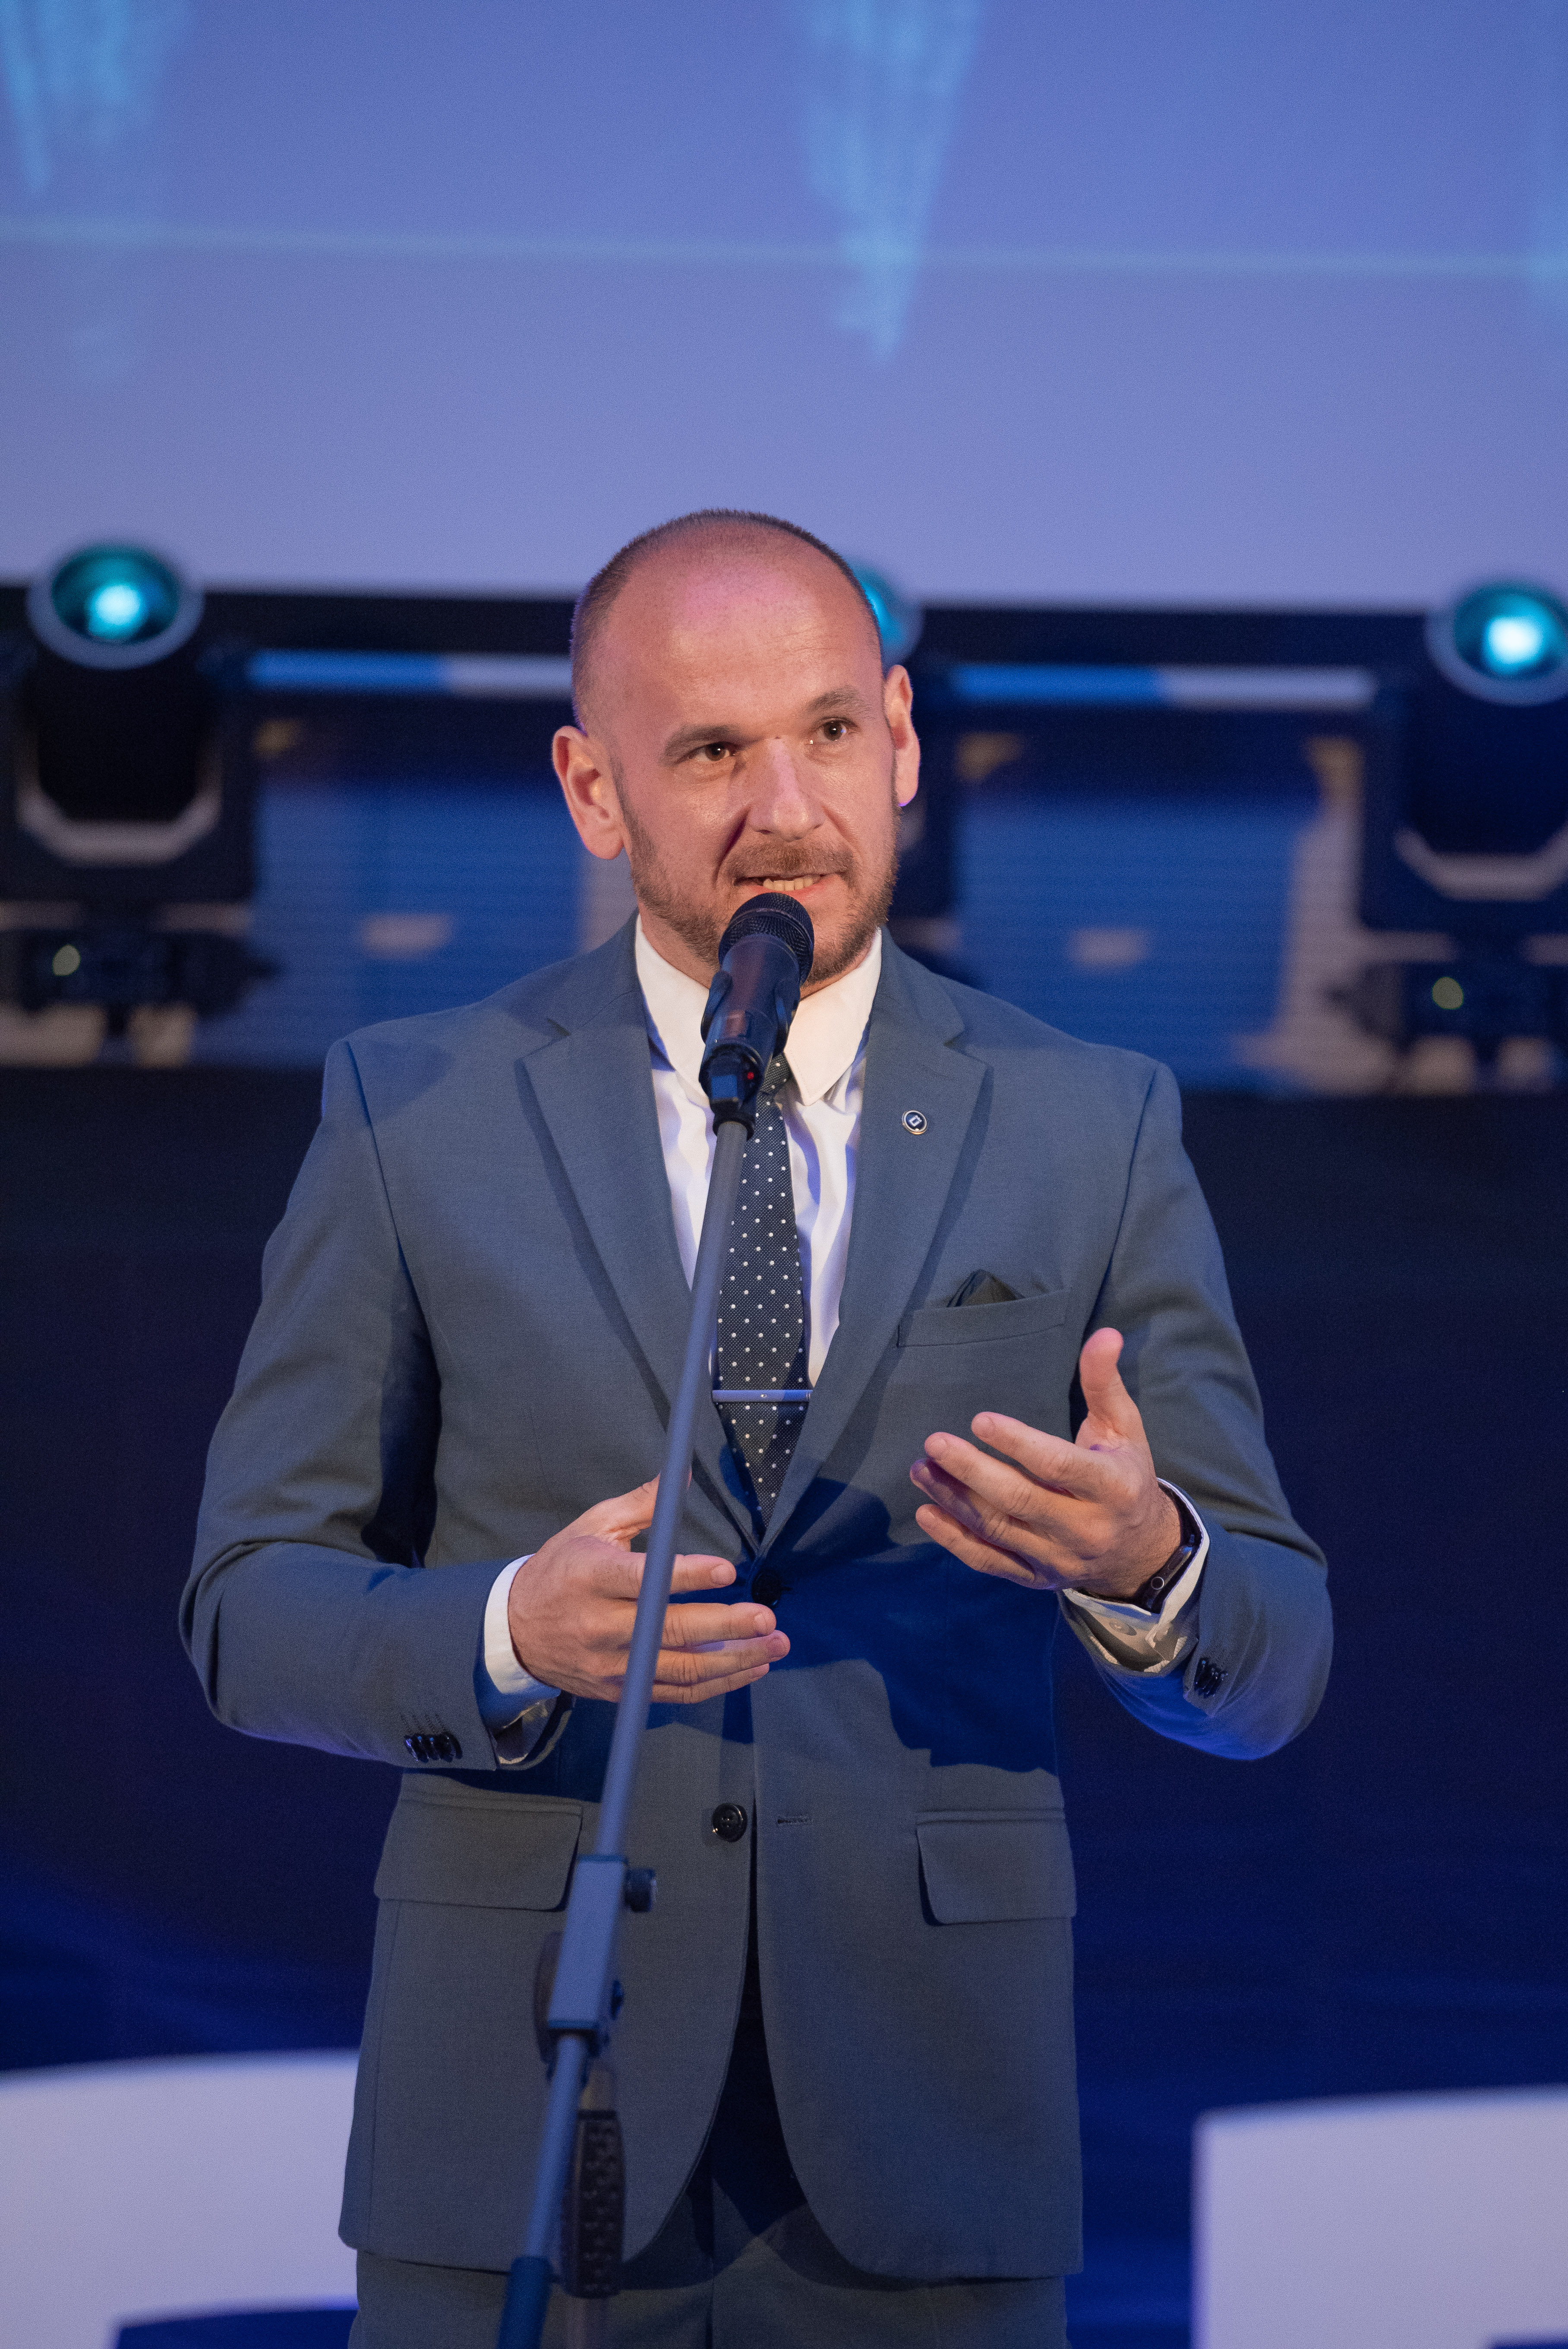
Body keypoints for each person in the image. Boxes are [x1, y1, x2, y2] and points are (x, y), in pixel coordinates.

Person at [184, 509, 1331, 2349]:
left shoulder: (1090, 1120)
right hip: (526, 2118)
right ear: (594, 787)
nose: (784, 809)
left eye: (828, 732)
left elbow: (1276, 1656)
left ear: (904, 737)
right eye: (710, 751)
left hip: (927, 2139)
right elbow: (250, 1605)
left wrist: (1147, 1564)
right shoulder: (414, 1109)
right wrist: (508, 1630)